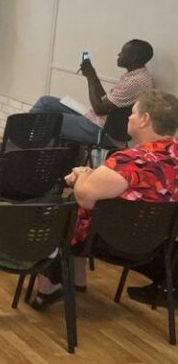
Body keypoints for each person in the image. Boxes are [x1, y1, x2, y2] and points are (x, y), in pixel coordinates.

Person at [29, 90, 178, 310]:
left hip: (111, 242)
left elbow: (85, 196)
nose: (128, 117)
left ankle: (47, 288)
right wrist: (89, 175)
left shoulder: (129, 161)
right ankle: (77, 279)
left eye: (133, 113)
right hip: (155, 244)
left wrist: (81, 174)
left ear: (146, 119)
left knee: (67, 209)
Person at [30, 39, 154, 146]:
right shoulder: (136, 76)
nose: (119, 54)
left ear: (133, 57)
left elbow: (99, 109)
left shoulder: (135, 82)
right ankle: (28, 140)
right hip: (98, 120)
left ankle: (27, 145)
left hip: (103, 131)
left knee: (46, 120)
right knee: (46, 102)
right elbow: (104, 100)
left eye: (123, 52)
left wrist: (90, 76)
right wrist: (92, 74)